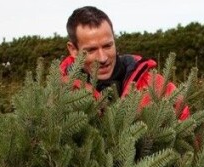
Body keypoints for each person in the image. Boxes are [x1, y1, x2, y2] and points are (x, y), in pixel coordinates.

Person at [61, 6, 189, 119]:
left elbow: (189, 134)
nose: (102, 58)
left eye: (107, 46)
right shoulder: (60, 93)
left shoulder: (156, 86)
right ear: (73, 50)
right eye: (91, 50)